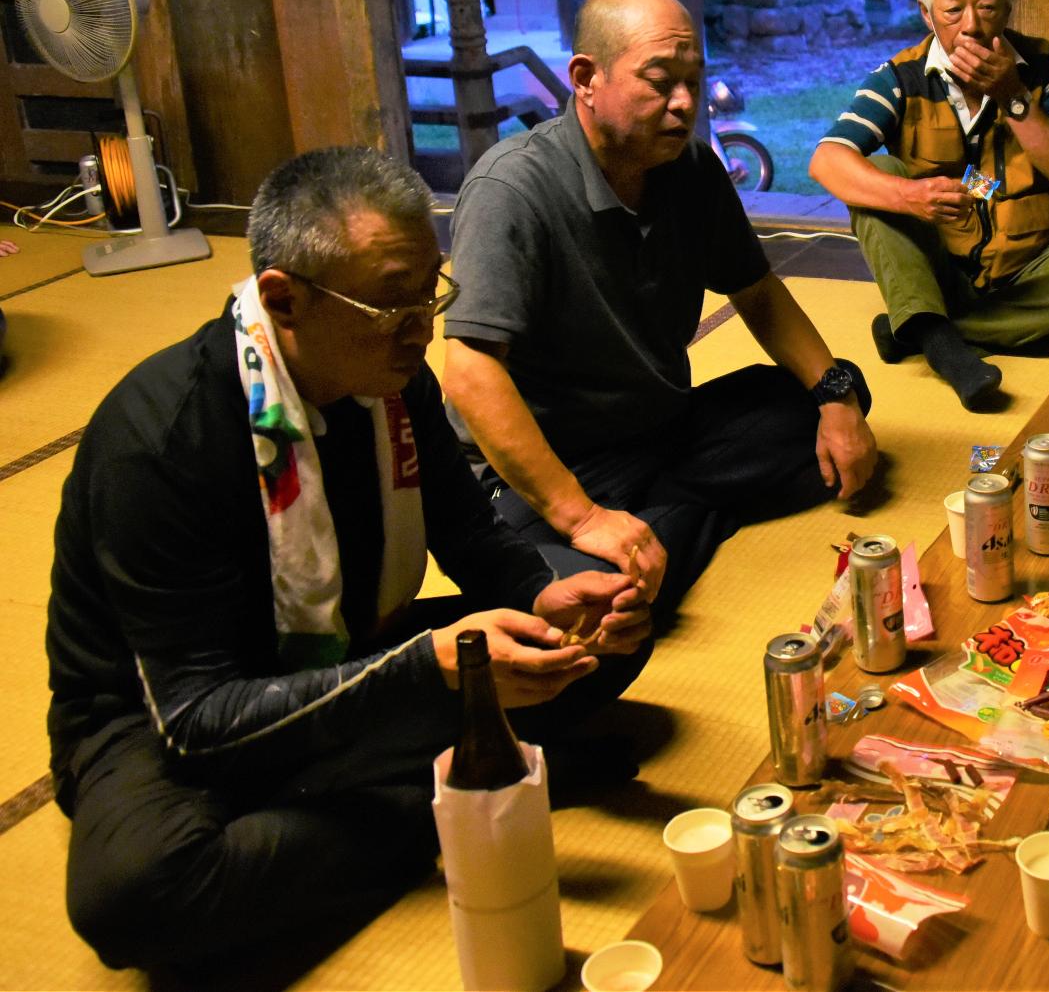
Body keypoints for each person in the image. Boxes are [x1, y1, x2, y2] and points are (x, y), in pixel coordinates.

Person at [48, 149, 652, 971]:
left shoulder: (393, 379)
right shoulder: (160, 441)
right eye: (389, 303)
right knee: (137, 893)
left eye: (429, 292)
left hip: (353, 642)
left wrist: (551, 599)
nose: (423, 327)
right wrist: (421, 674)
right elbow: (193, 720)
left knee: (602, 639)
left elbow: (472, 536)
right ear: (282, 299)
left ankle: (403, 782)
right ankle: (432, 799)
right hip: (170, 713)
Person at [444, 0, 877, 593]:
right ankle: (674, 523)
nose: (684, 103)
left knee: (838, 395)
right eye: (659, 80)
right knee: (589, 598)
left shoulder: (693, 170)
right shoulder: (512, 189)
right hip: (547, 466)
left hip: (663, 429)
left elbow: (757, 293)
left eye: (693, 82)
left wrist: (833, 395)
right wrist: (582, 516)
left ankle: (663, 526)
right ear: (585, 78)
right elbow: (468, 372)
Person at [808, 0, 1049, 410]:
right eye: (952, 9)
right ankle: (940, 328)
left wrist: (1013, 96)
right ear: (926, 13)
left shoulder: (1043, 64)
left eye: (987, 6)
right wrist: (907, 196)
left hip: (1027, 268)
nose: (972, 26)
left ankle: (925, 331)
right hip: (938, 270)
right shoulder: (901, 77)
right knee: (877, 173)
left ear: (1007, 7)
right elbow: (826, 160)